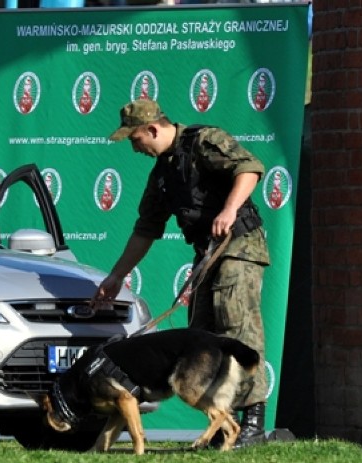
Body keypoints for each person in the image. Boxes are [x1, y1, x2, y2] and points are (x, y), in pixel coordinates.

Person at [92, 99, 270, 448]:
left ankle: (253, 422)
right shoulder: (161, 174)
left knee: (237, 326)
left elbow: (250, 167)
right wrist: (115, 277)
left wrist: (230, 209)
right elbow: (146, 229)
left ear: (153, 129)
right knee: (202, 340)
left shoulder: (204, 140)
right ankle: (223, 424)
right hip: (207, 251)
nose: (134, 147)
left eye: (135, 139)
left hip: (239, 245)